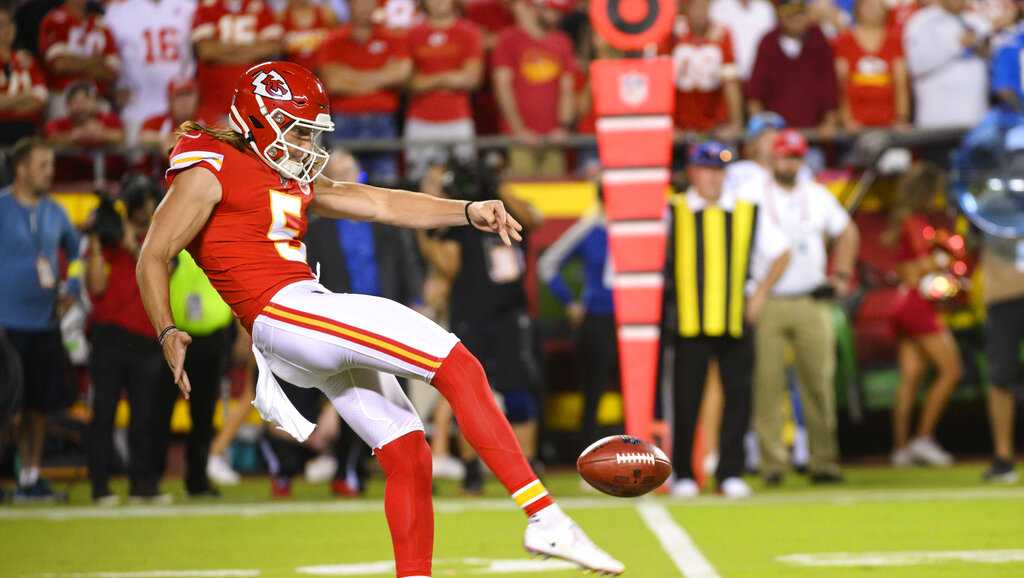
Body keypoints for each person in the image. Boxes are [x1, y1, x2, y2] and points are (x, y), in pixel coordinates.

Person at [135, 61, 623, 577]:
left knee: (408, 453)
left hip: (299, 313)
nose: (307, 145)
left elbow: (377, 202)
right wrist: (166, 329)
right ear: (259, 119)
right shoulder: (209, 167)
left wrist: (465, 210)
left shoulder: (278, 171)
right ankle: (544, 517)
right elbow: (153, 252)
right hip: (287, 310)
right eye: (299, 130)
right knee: (457, 364)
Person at [664, 141, 791, 499]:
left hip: (734, 318)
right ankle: (685, 473)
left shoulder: (745, 211)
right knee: (686, 398)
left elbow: (781, 252)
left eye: (720, 170)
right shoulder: (672, 210)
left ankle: (729, 471)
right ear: (692, 172)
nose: (713, 177)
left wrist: (760, 292)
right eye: (707, 169)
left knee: (739, 396)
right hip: (689, 319)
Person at [305, 149, 427, 496]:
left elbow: (404, 261)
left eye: (350, 170)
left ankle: (389, 470)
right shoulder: (318, 227)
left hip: (386, 315)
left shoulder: (378, 215)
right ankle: (353, 469)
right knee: (358, 392)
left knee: (394, 393)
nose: (345, 177)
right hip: (343, 319)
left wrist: (415, 299)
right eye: (337, 172)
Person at [419, 158, 545, 493]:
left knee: (520, 394)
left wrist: (497, 189)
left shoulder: (506, 206)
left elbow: (533, 219)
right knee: (469, 397)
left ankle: (529, 469)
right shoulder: (459, 218)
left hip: (510, 314)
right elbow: (449, 266)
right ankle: (472, 471)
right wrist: (430, 220)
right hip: (471, 316)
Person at [748, 130, 859, 486]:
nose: (789, 163)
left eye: (795, 157)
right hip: (771, 299)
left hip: (812, 299)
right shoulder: (753, 194)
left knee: (819, 382)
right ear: (771, 158)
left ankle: (823, 461)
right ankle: (772, 464)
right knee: (767, 384)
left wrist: (841, 275)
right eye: (783, 156)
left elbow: (848, 231)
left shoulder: (816, 195)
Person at [0, 138, 79, 502]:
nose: (50, 171)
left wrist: (73, 287)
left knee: (37, 408)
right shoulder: (1, 208)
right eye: (43, 165)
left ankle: (30, 478)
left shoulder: (56, 211)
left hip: (45, 324)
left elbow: (78, 252)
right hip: (6, 326)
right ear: (22, 169)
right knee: (5, 408)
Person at [84, 175, 169, 505]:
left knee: (144, 416)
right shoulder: (107, 242)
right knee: (103, 413)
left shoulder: (159, 239)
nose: (146, 209)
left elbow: (162, 268)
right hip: (109, 336)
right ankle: (100, 486)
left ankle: (142, 486)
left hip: (146, 337)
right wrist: (95, 239)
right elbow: (96, 286)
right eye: (143, 203)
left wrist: (127, 240)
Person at [882, 163, 962, 466]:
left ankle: (900, 449)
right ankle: (923, 439)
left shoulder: (904, 221)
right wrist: (944, 254)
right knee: (951, 370)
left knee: (910, 378)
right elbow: (917, 268)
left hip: (901, 302)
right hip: (917, 304)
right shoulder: (916, 223)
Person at [537, 197, 616, 451]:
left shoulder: (641, 226)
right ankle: (590, 456)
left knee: (645, 389)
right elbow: (548, 263)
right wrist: (569, 301)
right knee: (593, 391)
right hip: (598, 316)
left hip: (638, 318)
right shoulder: (591, 226)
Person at [318, 0, 410, 185]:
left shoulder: (391, 37)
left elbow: (401, 74)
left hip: (382, 119)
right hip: (344, 121)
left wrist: (351, 77)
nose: (364, 7)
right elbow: (333, 82)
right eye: (359, 2)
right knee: (342, 183)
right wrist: (381, 77)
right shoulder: (333, 40)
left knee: (386, 183)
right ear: (349, 5)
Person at [492, 0, 576, 178]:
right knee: (521, 195)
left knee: (554, 195)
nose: (555, 16)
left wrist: (563, 127)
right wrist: (518, 130)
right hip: (520, 137)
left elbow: (567, 88)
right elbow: (503, 87)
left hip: (554, 136)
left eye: (558, 12)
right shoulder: (509, 39)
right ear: (534, 9)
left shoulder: (562, 41)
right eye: (550, 11)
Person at [405, 0, 484, 181]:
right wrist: (449, 78)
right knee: (418, 182)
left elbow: (472, 79)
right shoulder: (412, 34)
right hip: (420, 121)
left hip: (458, 120)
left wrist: (429, 80)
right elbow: (409, 82)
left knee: (465, 181)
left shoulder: (469, 32)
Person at [103, 0, 195, 143]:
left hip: (183, 108)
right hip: (138, 106)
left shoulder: (188, 7)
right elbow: (106, 60)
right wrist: (114, 90)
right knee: (137, 161)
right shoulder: (117, 12)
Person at [747, 0, 839, 131]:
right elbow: (756, 91)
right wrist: (760, 128)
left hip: (814, 133)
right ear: (780, 16)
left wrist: (830, 122)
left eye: (800, 13)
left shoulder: (819, 40)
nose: (796, 19)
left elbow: (830, 85)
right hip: (776, 134)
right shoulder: (768, 42)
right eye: (790, 14)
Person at [191, 0, 282, 124]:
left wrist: (223, 53)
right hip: (214, 104)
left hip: (253, 103)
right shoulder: (207, 7)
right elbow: (205, 51)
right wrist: (250, 53)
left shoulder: (258, 6)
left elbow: (274, 47)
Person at [903, 0, 990, 128]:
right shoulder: (921, 22)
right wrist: (956, 45)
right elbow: (917, 65)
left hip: (976, 119)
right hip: (937, 121)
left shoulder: (978, 21)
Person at [981, 231, 1024, 483]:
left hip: (1003, 294)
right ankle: (1003, 458)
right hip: (1002, 292)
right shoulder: (988, 195)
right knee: (1000, 377)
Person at [833, 0, 910, 130]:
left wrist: (901, 118)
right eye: (868, 5)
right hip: (855, 125)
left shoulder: (895, 40)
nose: (873, 10)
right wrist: (846, 119)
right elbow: (840, 84)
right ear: (858, 9)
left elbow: (901, 83)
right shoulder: (844, 41)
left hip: (889, 124)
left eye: (877, 6)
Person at [671, 0, 743, 135]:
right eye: (695, 6)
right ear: (686, 8)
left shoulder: (722, 33)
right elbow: (661, 81)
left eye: (704, 6)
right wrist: (666, 123)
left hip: (714, 123)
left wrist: (736, 124)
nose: (700, 12)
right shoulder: (672, 32)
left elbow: (730, 82)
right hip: (679, 122)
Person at [37, 0, 120, 114]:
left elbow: (112, 72)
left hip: (96, 97)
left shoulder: (101, 24)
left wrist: (74, 63)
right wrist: (96, 61)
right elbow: (60, 65)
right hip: (64, 97)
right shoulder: (54, 20)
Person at [0, 7, 47, 147]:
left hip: (26, 131)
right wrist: (25, 96)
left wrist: (7, 105)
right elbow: (33, 95)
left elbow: (41, 97)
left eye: (8, 24)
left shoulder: (26, 60)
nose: (6, 30)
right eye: (0, 26)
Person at [709, 0, 776, 82]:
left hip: (759, 78)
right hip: (727, 79)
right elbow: (711, 42)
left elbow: (771, 43)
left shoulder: (765, 8)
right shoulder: (718, 7)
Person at [44, 81, 124, 146]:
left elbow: (120, 135)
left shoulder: (109, 119)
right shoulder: (58, 123)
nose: (81, 106)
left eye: (85, 101)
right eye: (75, 101)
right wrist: (75, 135)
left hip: (108, 166)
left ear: (95, 102)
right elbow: (51, 138)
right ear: (68, 105)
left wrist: (102, 134)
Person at [139, 78, 201, 152]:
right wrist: (164, 139)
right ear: (169, 101)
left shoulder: (206, 120)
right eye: (179, 96)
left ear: (197, 98)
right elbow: (143, 135)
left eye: (188, 95)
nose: (184, 101)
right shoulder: (161, 121)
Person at [281, 0, 337, 73]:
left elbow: (338, 39)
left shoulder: (326, 13)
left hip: (322, 71)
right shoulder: (281, 16)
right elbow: (276, 46)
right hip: (293, 70)